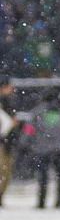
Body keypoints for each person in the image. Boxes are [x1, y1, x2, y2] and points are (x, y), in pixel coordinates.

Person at [0, 78, 16, 208]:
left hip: (7, 143)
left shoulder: (10, 102)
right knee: (3, 171)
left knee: (6, 173)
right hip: (3, 143)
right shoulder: (4, 103)